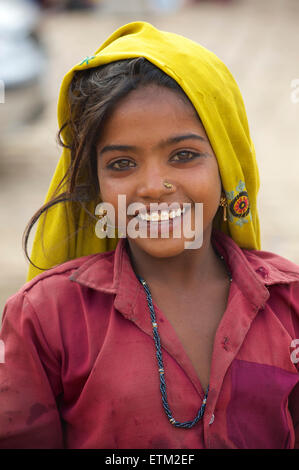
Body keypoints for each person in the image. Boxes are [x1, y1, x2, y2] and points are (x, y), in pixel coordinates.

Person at [0, 21, 299, 449]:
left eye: (183, 155)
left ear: (229, 168)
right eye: (122, 164)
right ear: (94, 183)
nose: (154, 186)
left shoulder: (289, 303)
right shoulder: (46, 318)